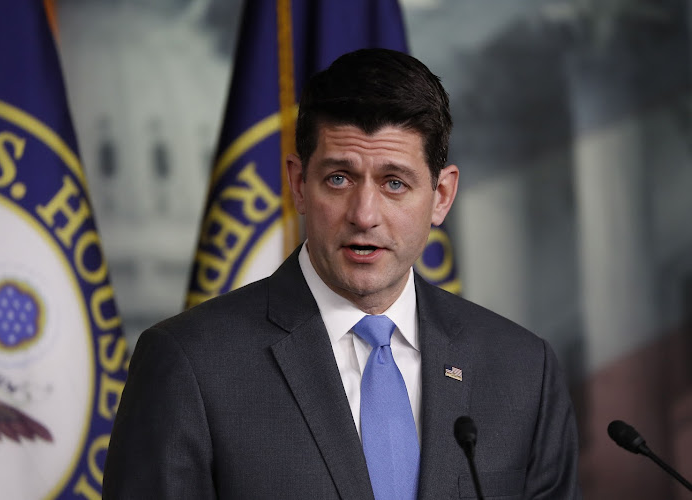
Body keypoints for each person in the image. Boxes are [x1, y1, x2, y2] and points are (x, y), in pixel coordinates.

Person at [103, 48, 581, 499]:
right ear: (298, 184)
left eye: (395, 183)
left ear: (441, 196)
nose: (364, 214)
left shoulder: (523, 372)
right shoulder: (191, 365)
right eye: (339, 178)